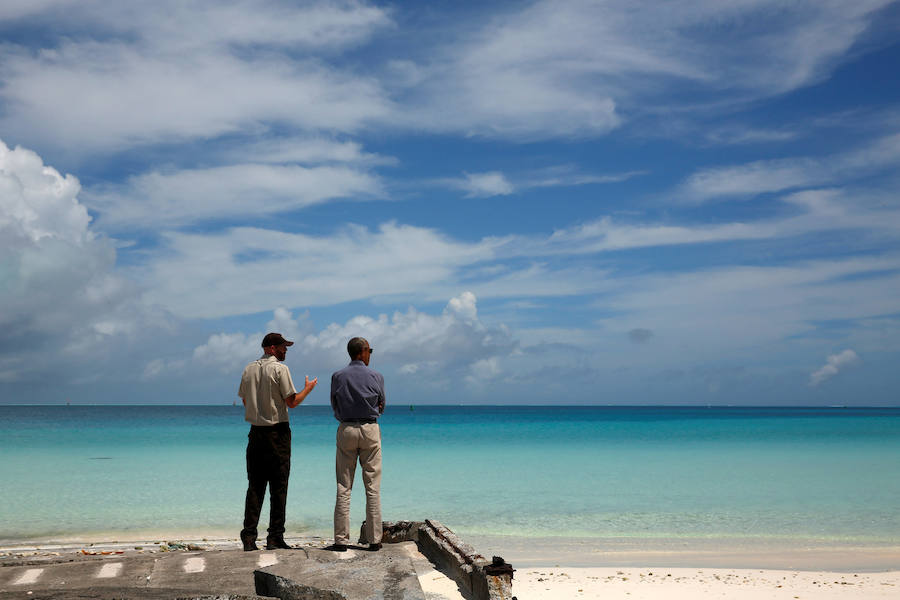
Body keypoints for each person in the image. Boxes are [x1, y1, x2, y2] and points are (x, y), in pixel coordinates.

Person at [238, 332, 317, 551]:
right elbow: (292, 402)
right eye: (283, 347)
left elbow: (245, 399)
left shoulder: (248, 368)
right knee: (279, 486)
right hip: (277, 432)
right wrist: (308, 389)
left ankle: (249, 537)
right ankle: (274, 537)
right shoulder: (280, 369)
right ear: (272, 348)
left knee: (255, 486)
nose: (286, 350)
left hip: (255, 432)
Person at [329, 337, 385, 551]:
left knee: (344, 486)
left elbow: (334, 405)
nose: (370, 353)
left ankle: (341, 540)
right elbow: (382, 405)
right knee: (372, 487)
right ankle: (374, 540)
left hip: (346, 429)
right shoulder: (376, 376)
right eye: (369, 350)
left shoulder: (337, 376)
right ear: (362, 352)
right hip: (370, 429)